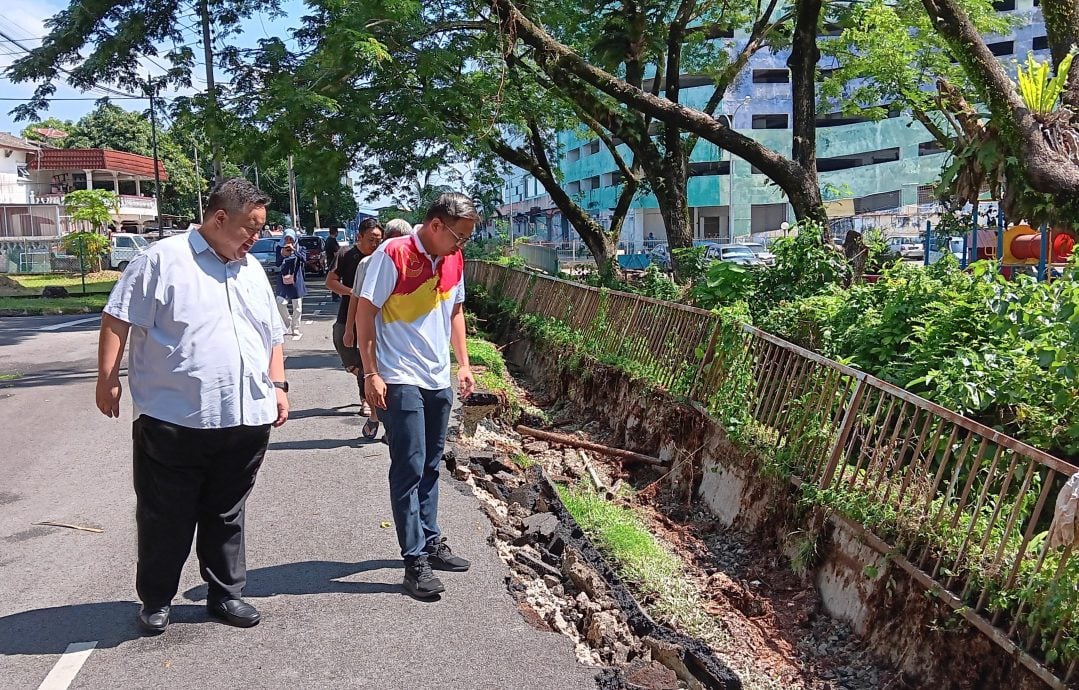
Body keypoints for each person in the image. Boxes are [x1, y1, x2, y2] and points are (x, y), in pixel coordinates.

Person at [95, 178, 289, 634]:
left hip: (245, 417)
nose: (256, 238)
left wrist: (278, 384)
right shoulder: (161, 261)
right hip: (175, 418)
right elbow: (117, 317)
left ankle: (225, 594)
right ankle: (157, 599)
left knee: (227, 513)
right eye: (250, 228)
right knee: (167, 515)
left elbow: (271, 334)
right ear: (220, 218)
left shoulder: (251, 270)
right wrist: (107, 380)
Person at [355, 194, 478, 600]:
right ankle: (414, 561)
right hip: (398, 376)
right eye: (458, 236)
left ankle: (430, 540)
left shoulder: (453, 260)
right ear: (437, 226)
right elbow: (365, 313)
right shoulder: (395, 253)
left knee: (430, 463)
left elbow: (455, 312)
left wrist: (463, 363)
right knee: (408, 466)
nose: (462, 245)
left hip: (436, 376)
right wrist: (371, 373)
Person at [327, 218, 383, 437]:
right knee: (349, 355)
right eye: (371, 240)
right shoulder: (346, 255)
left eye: (379, 240)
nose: (375, 245)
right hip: (347, 312)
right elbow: (330, 281)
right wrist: (353, 293)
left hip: (375, 318)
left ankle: (368, 402)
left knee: (367, 363)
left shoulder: (383, 257)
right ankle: (364, 381)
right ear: (359, 236)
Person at [276, 237, 306, 338]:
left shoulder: (301, 248)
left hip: (296, 280)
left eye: (291, 239)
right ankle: (287, 321)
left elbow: (303, 259)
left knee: (297, 306)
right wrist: (283, 254)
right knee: (280, 302)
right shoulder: (280, 248)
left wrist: (294, 250)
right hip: (283, 280)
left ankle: (295, 327)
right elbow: (277, 263)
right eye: (287, 239)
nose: (289, 241)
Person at [325, 227, 342, 302]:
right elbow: (336, 253)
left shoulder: (328, 240)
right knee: (335, 279)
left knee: (335, 279)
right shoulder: (332, 241)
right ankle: (335, 295)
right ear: (336, 232)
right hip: (334, 262)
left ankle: (335, 294)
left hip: (330, 261)